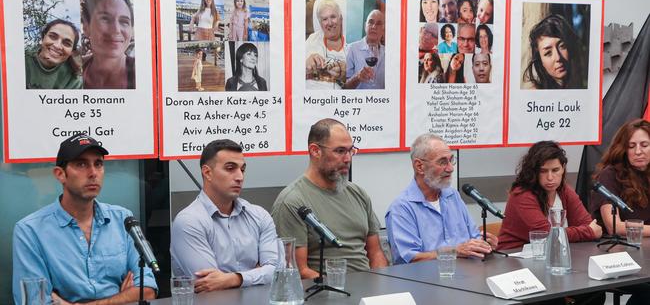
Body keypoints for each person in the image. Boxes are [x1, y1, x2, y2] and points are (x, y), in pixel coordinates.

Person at [12, 134, 157, 304]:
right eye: (81, 164)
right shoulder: (30, 230)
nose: (93, 173)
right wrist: (122, 298)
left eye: (98, 164)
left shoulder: (122, 219)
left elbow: (147, 290)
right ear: (60, 174)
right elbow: (35, 300)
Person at [271, 118, 388, 278]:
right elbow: (298, 270)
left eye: (350, 150)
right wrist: (340, 289)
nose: (348, 159)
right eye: (340, 151)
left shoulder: (358, 193)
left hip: (367, 291)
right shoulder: (293, 201)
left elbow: (376, 253)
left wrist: (381, 285)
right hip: (325, 293)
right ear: (315, 151)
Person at [171, 139, 278, 291]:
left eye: (242, 169)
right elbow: (209, 285)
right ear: (207, 172)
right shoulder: (189, 221)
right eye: (230, 168)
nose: (240, 177)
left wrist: (234, 278)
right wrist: (258, 272)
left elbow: (277, 272)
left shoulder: (259, 215)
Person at [385, 133, 497, 264]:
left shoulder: (452, 196)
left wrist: (485, 245)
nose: (450, 168)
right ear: (419, 166)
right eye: (442, 162)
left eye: (451, 160)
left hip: (467, 275)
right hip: (426, 281)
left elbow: (473, 238)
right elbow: (409, 258)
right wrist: (455, 252)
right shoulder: (401, 208)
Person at [498, 141, 602, 250]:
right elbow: (546, 235)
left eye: (555, 170)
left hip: (550, 254)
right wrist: (588, 232)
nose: (550, 177)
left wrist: (588, 230)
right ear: (534, 171)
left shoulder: (564, 190)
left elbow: (588, 223)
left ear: (563, 168)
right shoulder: (522, 195)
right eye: (543, 171)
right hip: (513, 257)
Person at [590, 119, 650, 305]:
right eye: (632, 146)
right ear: (623, 149)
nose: (638, 151)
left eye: (644, 145)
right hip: (621, 258)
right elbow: (614, 225)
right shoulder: (610, 175)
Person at [81, 0, 135, 89]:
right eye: (105, 19)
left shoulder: (144, 73)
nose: (116, 30)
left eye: (124, 21)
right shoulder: (72, 72)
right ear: (86, 27)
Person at [523, 14, 587, 90]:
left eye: (562, 46)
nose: (558, 58)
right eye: (548, 53)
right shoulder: (536, 93)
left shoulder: (580, 85)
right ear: (540, 61)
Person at [25, 19, 82, 89]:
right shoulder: (22, 59)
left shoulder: (74, 81)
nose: (57, 46)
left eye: (67, 43)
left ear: (72, 52)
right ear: (43, 38)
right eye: (52, 37)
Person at [305, 0, 346, 89]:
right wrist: (306, 64)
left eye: (333, 17)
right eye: (325, 19)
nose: (330, 23)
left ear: (340, 18)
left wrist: (344, 74)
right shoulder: (312, 38)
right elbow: (294, 70)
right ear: (320, 23)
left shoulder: (350, 44)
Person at [344, 10, 385, 89]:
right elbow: (343, 86)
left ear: (383, 30)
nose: (374, 26)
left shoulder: (388, 53)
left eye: (379, 24)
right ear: (365, 26)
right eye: (371, 22)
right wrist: (357, 77)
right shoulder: (351, 49)